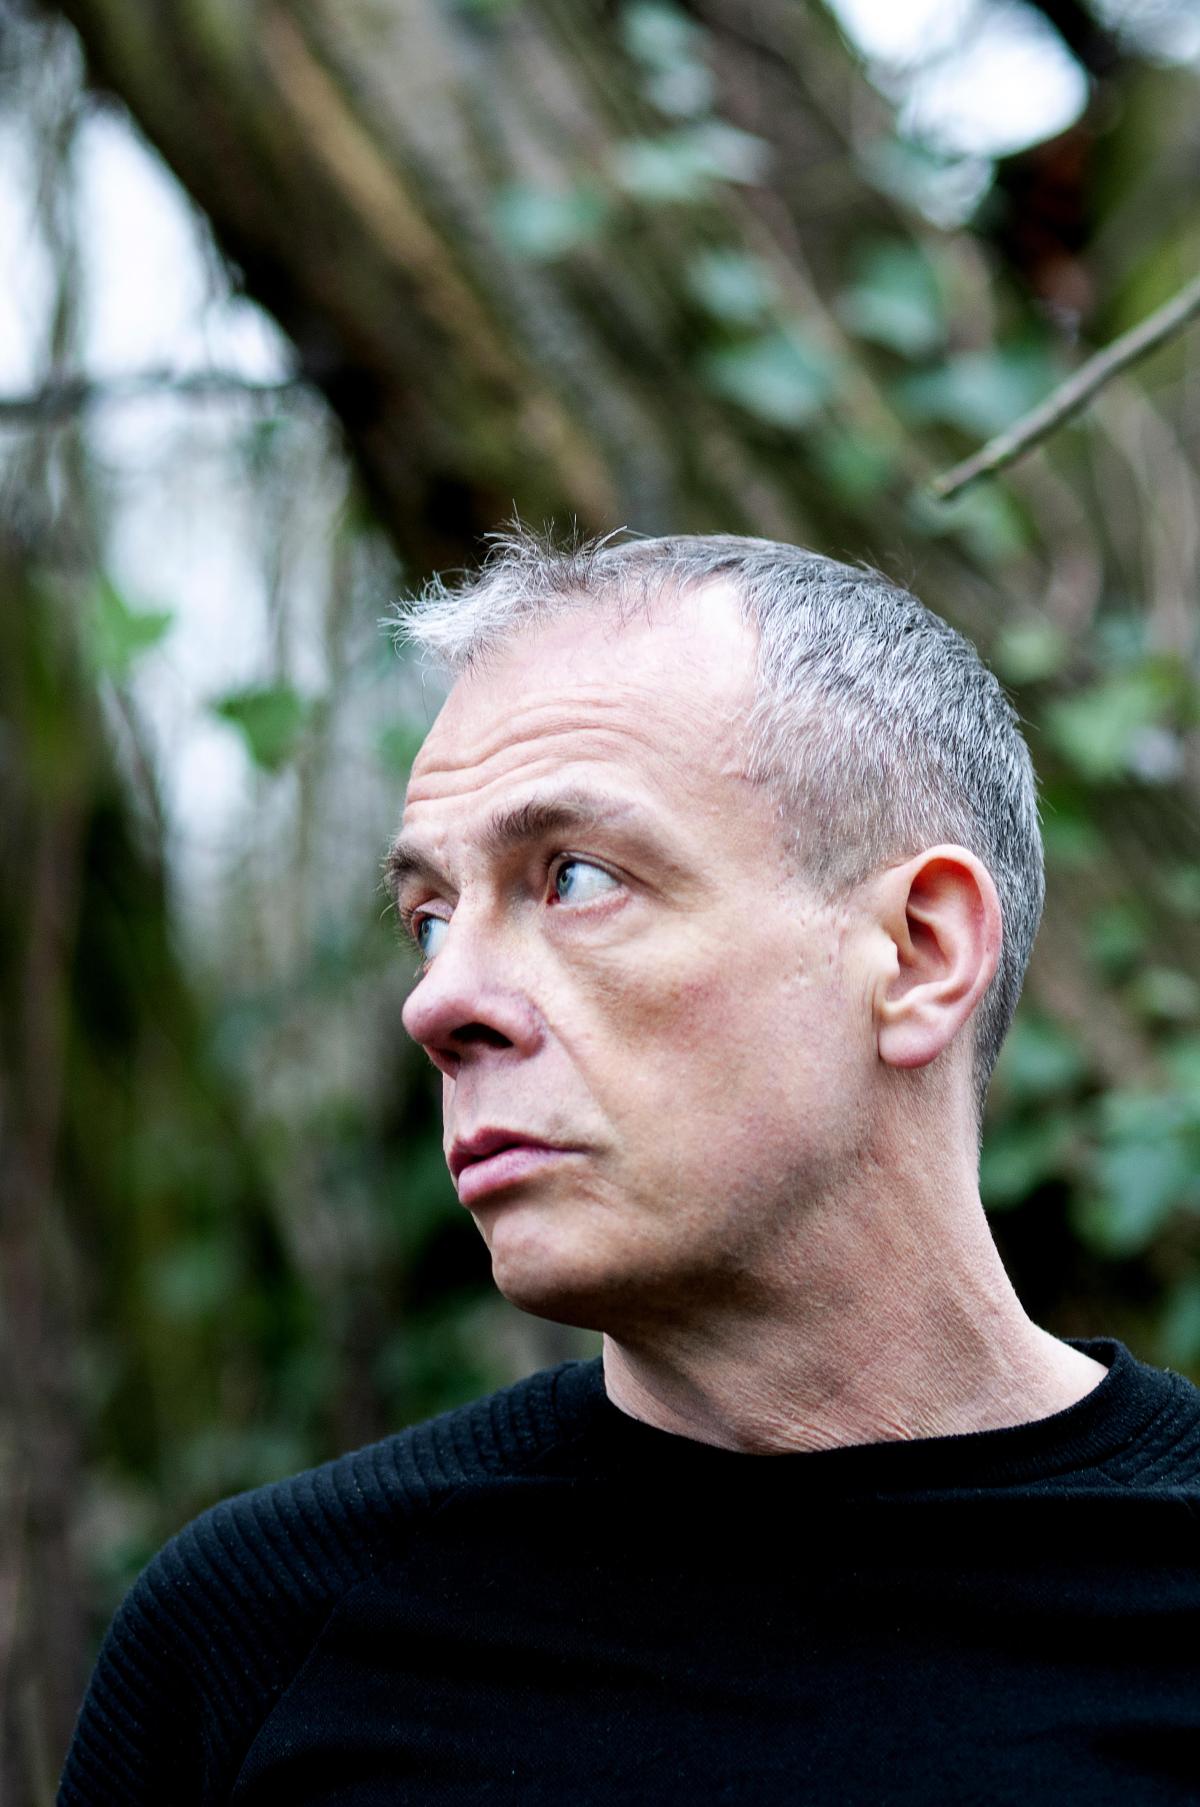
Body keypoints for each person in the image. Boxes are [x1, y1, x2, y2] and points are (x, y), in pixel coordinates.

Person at [59, 532, 1200, 1805]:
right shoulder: (257, 1640)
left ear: (921, 953)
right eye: (428, 917)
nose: (441, 1002)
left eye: (576, 877)